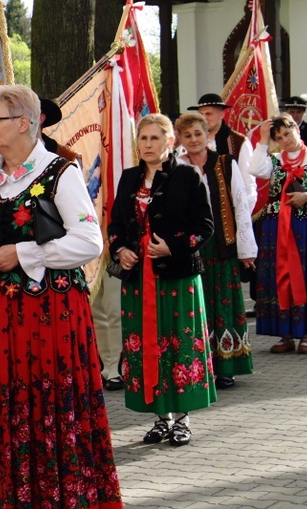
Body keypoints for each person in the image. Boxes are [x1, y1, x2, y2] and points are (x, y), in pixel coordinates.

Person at [0, 84, 122, 508]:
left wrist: (26, 252)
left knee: (48, 402)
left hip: (48, 315)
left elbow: (89, 241)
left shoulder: (59, 172)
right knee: (4, 408)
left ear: (25, 123)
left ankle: (60, 497)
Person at [107, 113, 216, 447]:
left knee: (178, 343)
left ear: (171, 142)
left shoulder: (187, 176)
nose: (148, 145)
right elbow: (114, 226)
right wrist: (121, 249)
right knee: (145, 343)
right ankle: (160, 418)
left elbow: (206, 227)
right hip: (139, 279)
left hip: (177, 278)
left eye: (156, 138)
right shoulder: (128, 179)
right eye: (143, 139)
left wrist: (174, 246)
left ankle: (182, 419)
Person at [175, 113, 258, 390]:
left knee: (223, 301)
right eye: (187, 135)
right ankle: (200, 364)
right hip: (190, 246)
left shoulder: (224, 163)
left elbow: (240, 205)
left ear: (206, 135)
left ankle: (226, 366)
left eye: (198, 134)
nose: (194, 140)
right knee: (196, 305)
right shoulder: (175, 166)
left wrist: (246, 248)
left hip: (222, 244)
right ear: (180, 139)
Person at [249, 114, 307, 354]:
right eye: (278, 137)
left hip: (306, 227)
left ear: (297, 130)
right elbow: (254, 168)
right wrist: (263, 140)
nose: (284, 140)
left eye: (287, 134)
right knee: (280, 276)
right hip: (276, 229)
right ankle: (285, 333)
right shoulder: (274, 160)